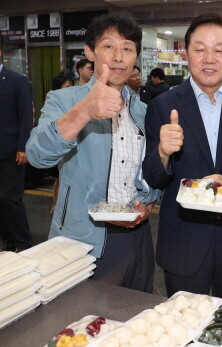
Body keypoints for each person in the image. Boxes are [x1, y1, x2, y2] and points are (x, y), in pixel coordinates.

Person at [26, 14, 160, 293]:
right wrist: (85, 111)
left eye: (127, 48)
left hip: (137, 238)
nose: (119, 57)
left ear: (136, 56)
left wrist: (148, 201)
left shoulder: (144, 112)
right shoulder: (64, 100)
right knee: (80, 325)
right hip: (82, 237)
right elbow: (37, 155)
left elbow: (150, 172)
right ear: (90, 52)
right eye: (108, 46)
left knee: (133, 323)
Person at [142, 12, 222, 300]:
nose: (209, 58)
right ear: (186, 54)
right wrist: (162, 152)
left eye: (219, 50)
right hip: (184, 241)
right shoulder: (162, 106)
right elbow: (152, 177)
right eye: (200, 49)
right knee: (183, 326)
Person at [0, 49, 33, 252]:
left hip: (12, 150)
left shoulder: (16, 80)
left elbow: (25, 116)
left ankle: (23, 242)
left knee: (10, 198)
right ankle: (8, 240)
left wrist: (23, 147)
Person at [49, 73, 74, 214]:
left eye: (71, 85)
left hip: (71, 147)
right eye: (67, 86)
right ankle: (56, 205)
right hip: (59, 146)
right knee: (59, 178)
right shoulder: (54, 102)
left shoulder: (74, 100)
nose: (70, 88)